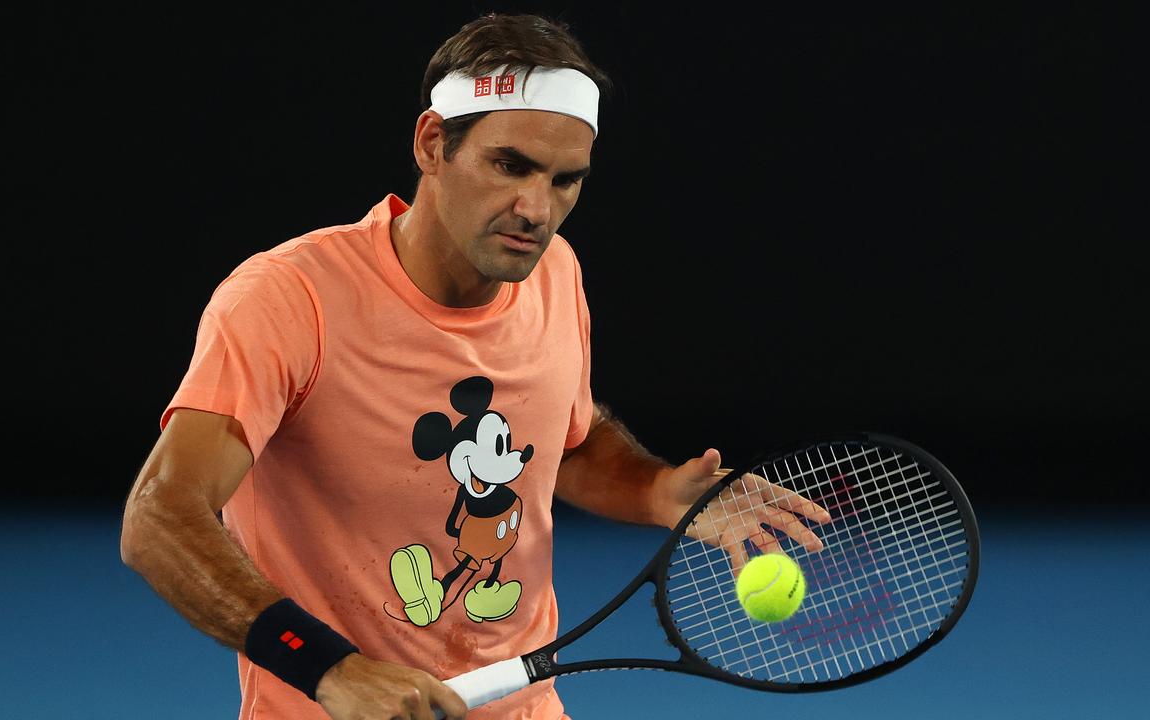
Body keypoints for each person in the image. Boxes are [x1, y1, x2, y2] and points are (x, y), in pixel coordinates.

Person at [121, 13, 830, 720]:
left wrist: (657, 491)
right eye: (509, 165)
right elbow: (160, 517)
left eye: (565, 180)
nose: (536, 209)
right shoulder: (288, 297)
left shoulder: (554, 273)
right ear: (433, 144)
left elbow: (564, 441)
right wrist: (330, 669)